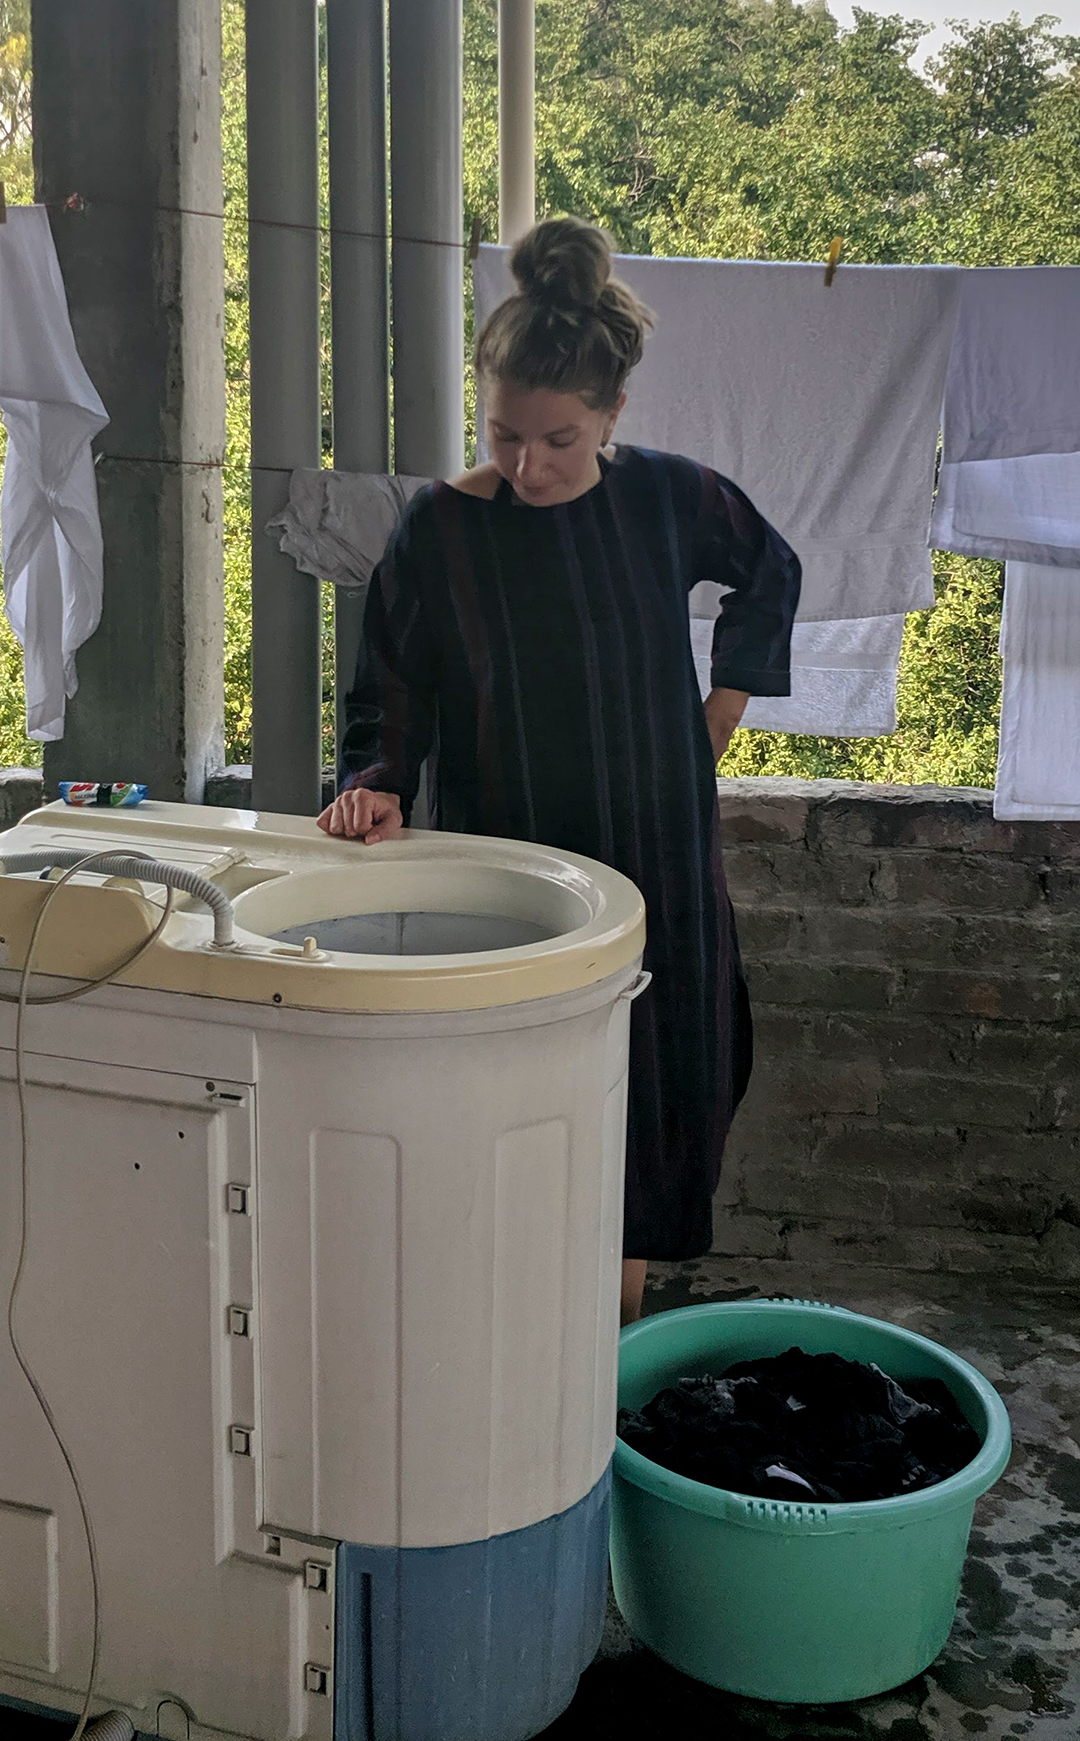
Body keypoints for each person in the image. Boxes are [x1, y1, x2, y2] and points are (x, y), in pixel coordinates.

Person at [321, 217, 801, 1326]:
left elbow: (768, 567)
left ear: (612, 417)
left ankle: (611, 1343)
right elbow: (393, 677)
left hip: (657, 851)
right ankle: (506, 1329)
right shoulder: (439, 529)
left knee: (656, 1080)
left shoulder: (667, 498)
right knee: (517, 1085)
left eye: (559, 440)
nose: (527, 465)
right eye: (504, 435)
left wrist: (722, 704)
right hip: (509, 857)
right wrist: (381, 776)